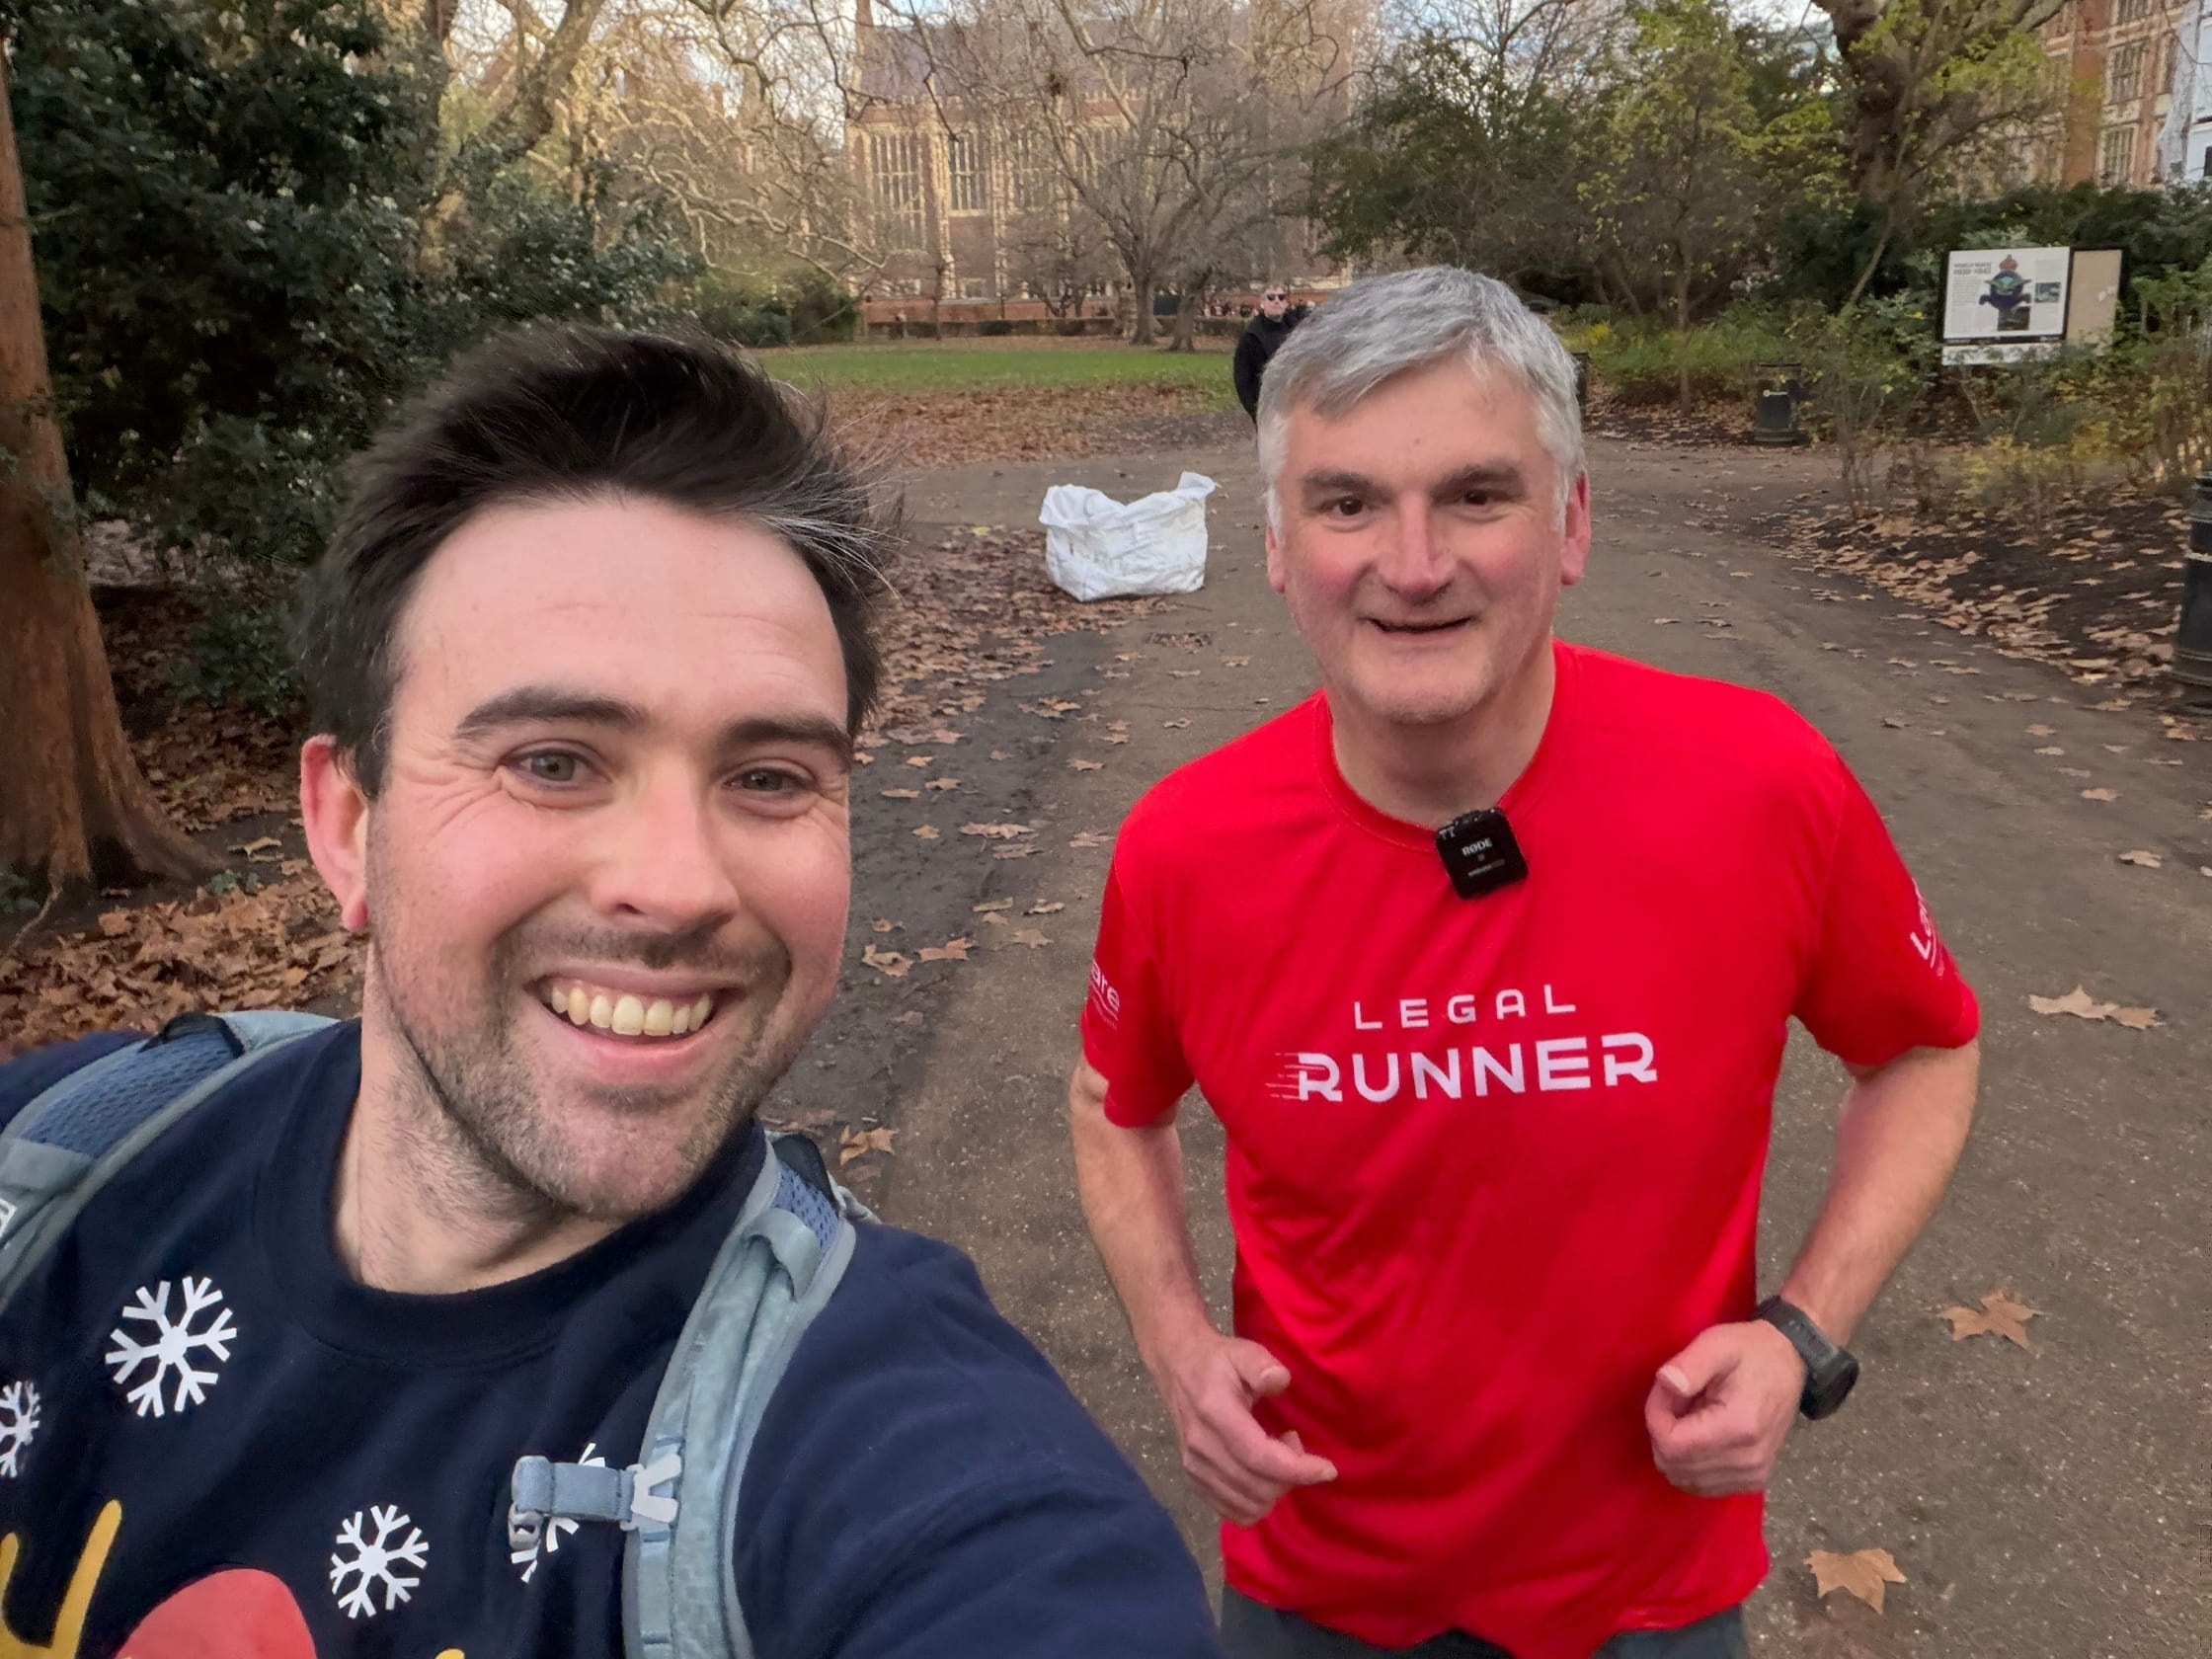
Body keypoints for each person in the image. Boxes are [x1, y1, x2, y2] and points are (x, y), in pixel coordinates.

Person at [0, 328, 1222, 1659]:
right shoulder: (58, 1176)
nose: (681, 885)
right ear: (349, 824)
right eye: (554, 761)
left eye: (767, 777)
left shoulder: (908, 1474)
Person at [1070, 267, 1981, 1659]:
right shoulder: (1186, 846)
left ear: (1570, 525)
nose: (1414, 563)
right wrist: (1178, 1350)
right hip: (1316, 1585)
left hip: (1651, 1589)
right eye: (1349, 502)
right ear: (1274, 542)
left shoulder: (1756, 781)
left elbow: (1924, 1046)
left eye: (1477, 497)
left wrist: (1799, 1334)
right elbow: (1113, 1105)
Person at [1233, 285, 1309, 421]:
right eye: (1271, 297)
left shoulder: (1297, 330)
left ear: (1285, 303)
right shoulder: (1251, 337)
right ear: (1262, 303)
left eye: (1281, 297)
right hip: (1268, 408)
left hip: (1296, 406)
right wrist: (1256, 411)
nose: (1276, 301)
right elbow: (1243, 379)